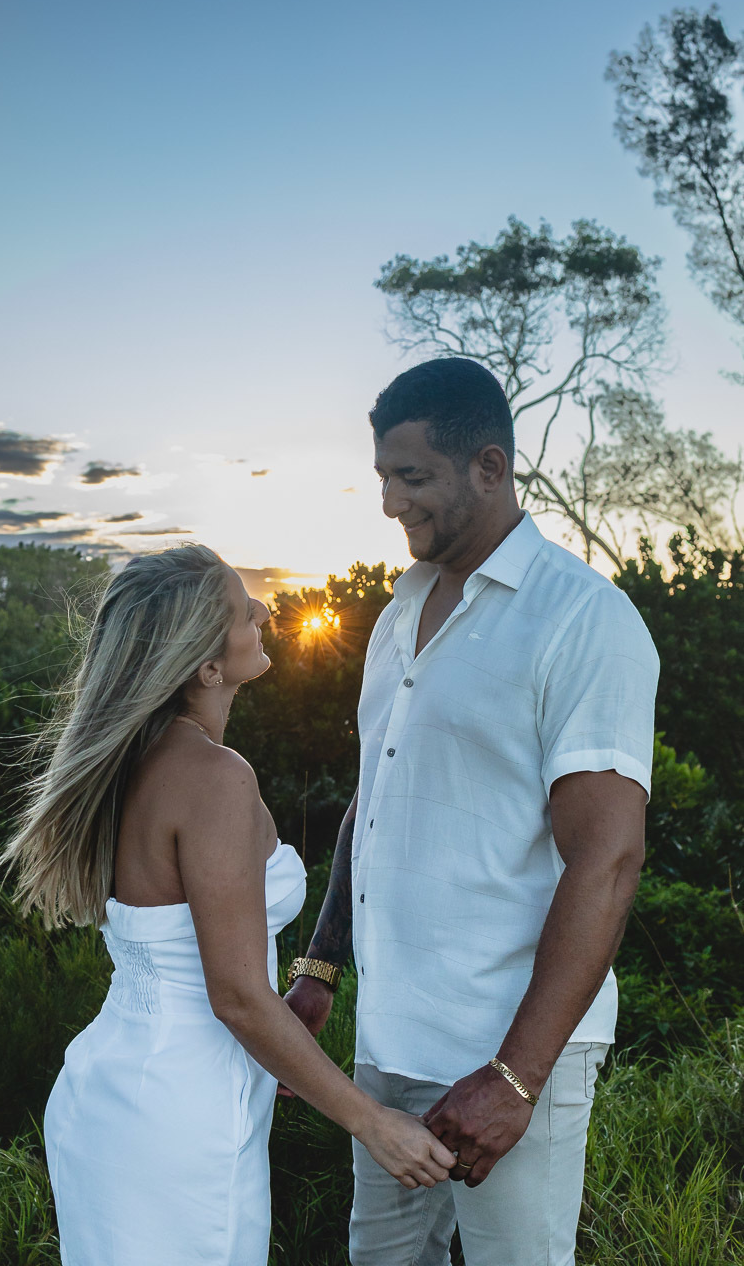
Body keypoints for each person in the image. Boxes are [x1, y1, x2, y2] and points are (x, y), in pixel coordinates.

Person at [285, 357, 659, 1266]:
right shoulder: (395, 612)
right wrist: (319, 972)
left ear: (488, 468)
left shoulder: (583, 620)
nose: (388, 502)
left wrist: (514, 1077)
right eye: (381, 476)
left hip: (505, 1051)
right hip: (388, 1045)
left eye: (410, 478)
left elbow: (605, 860)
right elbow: (371, 804)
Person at [0, 543, 453, 1266]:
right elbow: (237, 997)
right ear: (208, 668)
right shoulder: (213, 777)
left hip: (124, 1083)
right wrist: (373, 1124)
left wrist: (290, 1016)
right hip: (179, 1111)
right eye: (244, 611)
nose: (266, 610)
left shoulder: (132, 756)